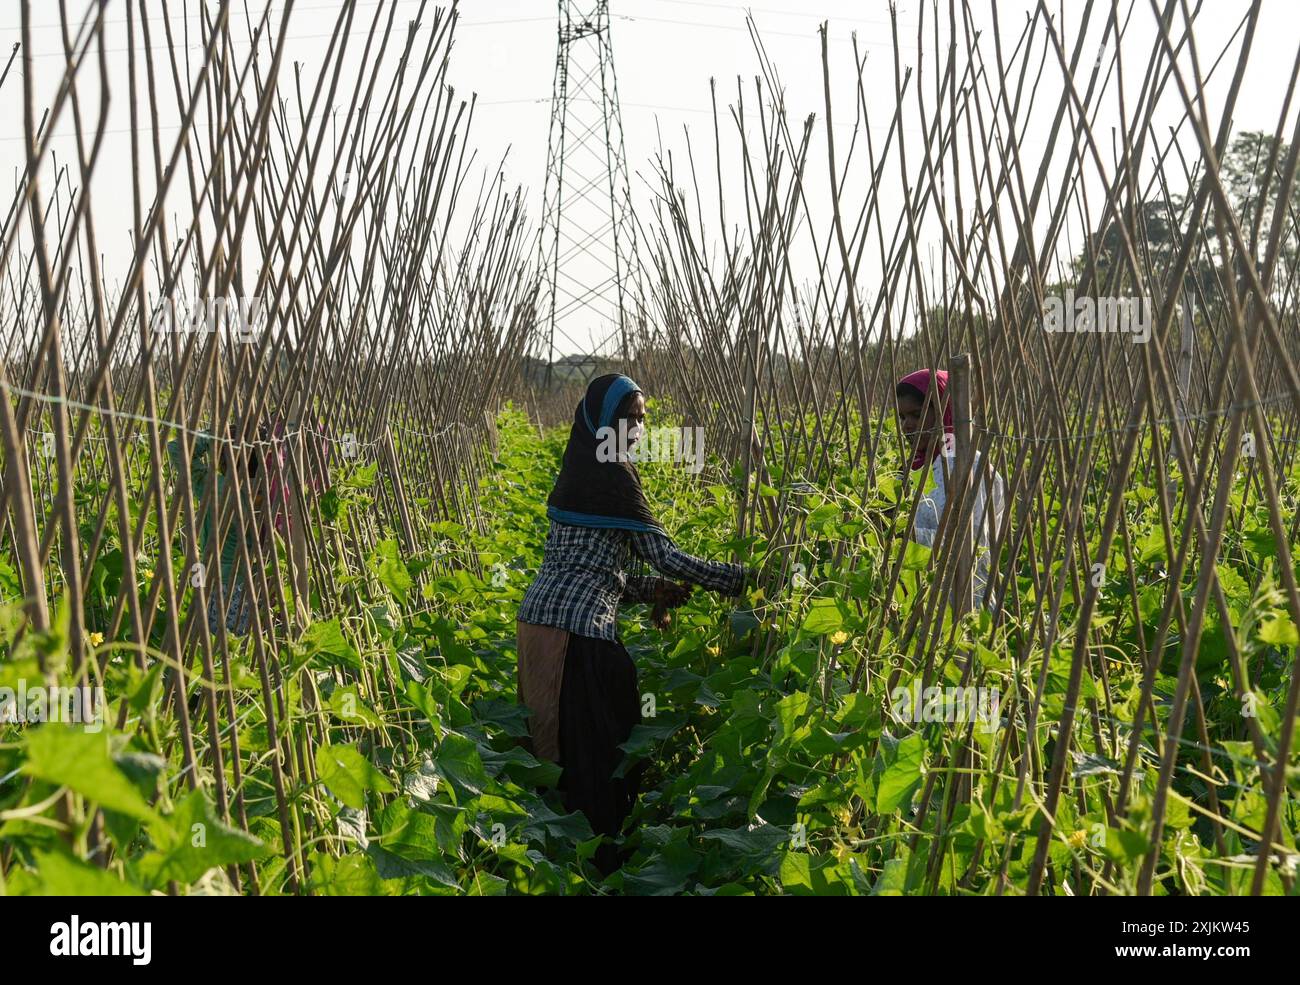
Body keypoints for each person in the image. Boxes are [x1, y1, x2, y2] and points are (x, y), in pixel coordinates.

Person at [516, 373, 747, 874]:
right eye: (629, 420)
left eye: (643, 421)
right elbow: (664, 556)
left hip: (537, 626)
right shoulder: (613, 478)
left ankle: (564, 863)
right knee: (607, 752)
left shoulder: (578, 473)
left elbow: (593, 568)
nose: (639, 430)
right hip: (581, 639)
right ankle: (605, 863)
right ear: (603, 424)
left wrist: (648, 593)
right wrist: (740, 580)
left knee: (557, 749)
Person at [895, 369, 1006, 608]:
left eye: (917, 414)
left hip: (965, 598)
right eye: (903, 417)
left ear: (945, 413)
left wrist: (903, 536)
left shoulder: (969, 467)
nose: (908, 425)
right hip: (920, 598)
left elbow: (969, 543)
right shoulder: (914, 468)